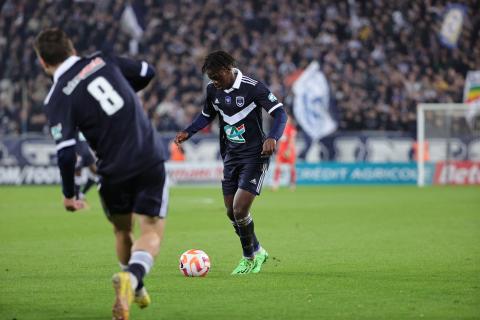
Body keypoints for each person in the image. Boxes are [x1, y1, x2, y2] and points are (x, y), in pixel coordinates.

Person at [34, 28, 168, 320]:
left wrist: (69, 195)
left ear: (43, 62)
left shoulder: (56, 98)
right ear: (72, 49)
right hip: (147, 157)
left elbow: (66, 152)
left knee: (122, 230)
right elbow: (148, 71)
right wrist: (125, 91)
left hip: (112, 171)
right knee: (151, 229)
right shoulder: (104, 60)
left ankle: (136, 287)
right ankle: (132, 279)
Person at [174, 50, 287, 274]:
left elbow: (280, 113)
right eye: (211, 78)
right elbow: (207, 115)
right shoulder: (212, 90)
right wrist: (189, 132)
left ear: (227, 70)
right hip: (231, 156)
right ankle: (258, 249)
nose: (214, 82)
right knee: (230, 212)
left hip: (255, 156)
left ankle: (248, 258)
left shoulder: (252, 87)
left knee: (239, 208)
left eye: (217, 76)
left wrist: (273, 137)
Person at [272, 115, 297, 191]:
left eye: (288, 119)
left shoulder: (291, 129)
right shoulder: (280, 128)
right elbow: (278, 140)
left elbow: (292, 140)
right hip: (281, 151)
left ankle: (292, 184)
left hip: (289, 151)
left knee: (291, 168)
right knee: (278, 167)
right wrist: (277, 149)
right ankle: (275, 184)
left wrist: (289, 150)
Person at [74, 132, 98, 202]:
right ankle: (77, 197)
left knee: (95, 172)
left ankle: (81, 194)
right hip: (78, 150)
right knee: (78, 172)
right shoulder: (73, 126)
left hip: (87, 150)